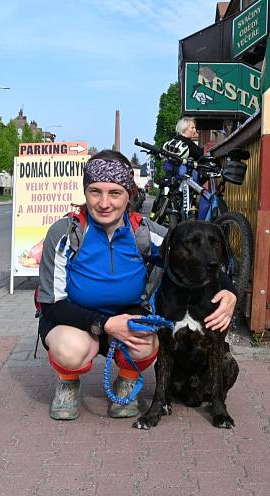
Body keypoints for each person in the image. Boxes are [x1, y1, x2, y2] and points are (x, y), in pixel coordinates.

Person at [36, 149, 237, 421]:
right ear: (85, 193)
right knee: (71, 348)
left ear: (128, 195)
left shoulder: (143, 232)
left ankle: (127, 381)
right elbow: (51, 305)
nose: (104, 203)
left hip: (127, 318)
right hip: (75, 321)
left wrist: (230, 292)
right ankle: (67, 382)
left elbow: (192, 255)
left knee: (148, 338)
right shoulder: (65, 233)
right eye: (95, 191)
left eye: (115, 193)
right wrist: (104, 324)